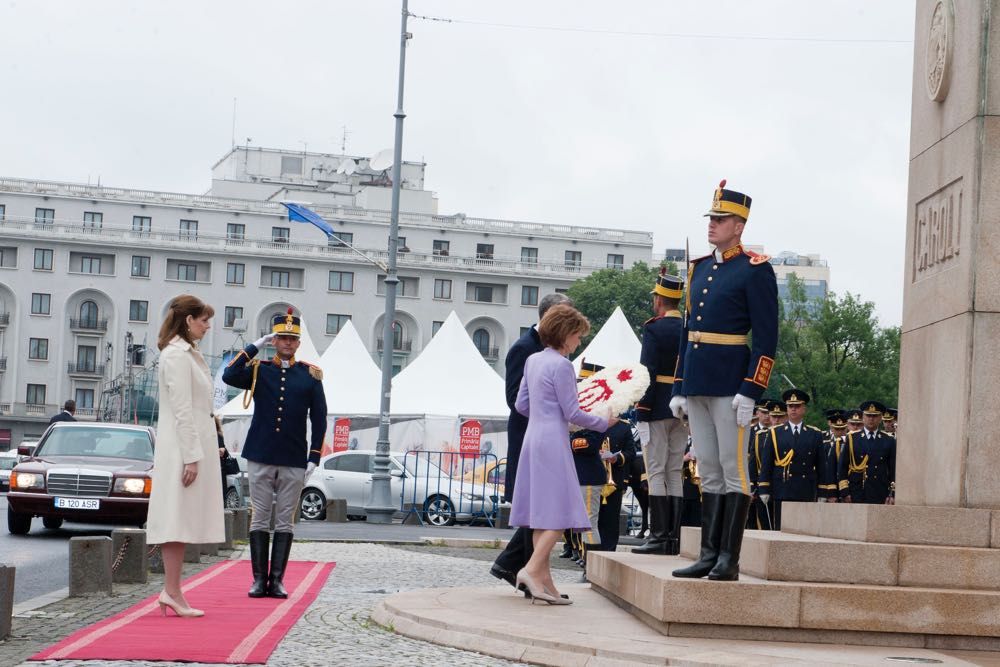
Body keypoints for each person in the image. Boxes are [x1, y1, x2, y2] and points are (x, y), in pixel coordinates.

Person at [670, 180, 778, 582]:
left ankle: (728, 560)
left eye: (720, 219)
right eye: (711, 218)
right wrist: (679, 386)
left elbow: (767, 338)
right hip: (698, 380)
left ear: (739, 225)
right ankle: (708, 554)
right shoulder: (699, 268)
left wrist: (751, 389)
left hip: (731, 384)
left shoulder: (755, 270)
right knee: (709, 470)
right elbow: (686, 331)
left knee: (735, 471)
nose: (712, 225)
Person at [510, 304, 613, 604]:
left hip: (533, 437)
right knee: (561, 511)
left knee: (541, 514)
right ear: (566, 334)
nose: (579, 342)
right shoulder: (562, 366)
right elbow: (573, 412)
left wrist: (548, 415)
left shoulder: (532, 360)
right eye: (578, 336)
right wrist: (603, 422)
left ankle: (545, 584)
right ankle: (530, 571)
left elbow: (521, 406)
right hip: (553, 441)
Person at [223, 308, 327, 599]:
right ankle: (258, 580)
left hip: (294, 458)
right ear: (274, 340)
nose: (287, 344)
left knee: (284, 520)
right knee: (259, 518)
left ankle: (277, 580)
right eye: (281, 338)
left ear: (298, 342)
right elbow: (229, 374)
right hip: (261, 454)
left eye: (292, 339)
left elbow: (319, 419)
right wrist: (255, 344)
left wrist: (314, 457)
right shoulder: (260, 370)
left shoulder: (310, 376)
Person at [146, 295, 224, 618]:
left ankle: (173, 589)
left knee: (179, 520)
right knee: (175, 519)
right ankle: (172, 590)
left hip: (186, 446)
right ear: (188, 320)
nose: (207, 325)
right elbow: (181, 408)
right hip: (181, 448)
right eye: (203, 319)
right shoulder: (177, 355)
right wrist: (192, 456)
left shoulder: (185, 353)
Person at [491, 293, 572, 591]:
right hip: (531, 437)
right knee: (541, 510)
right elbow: (515, 400)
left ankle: (520, 569)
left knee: (539, 510)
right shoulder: (524, 348)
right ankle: (525, 571)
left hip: (545, 436)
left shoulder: (554, 349)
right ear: (549, 315)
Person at [633, 269, 686, 556]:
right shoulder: (689, 329)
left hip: (656, 406)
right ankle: (673, 538)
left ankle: (657, 536)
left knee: (655, 470)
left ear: (659, 301)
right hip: (682, 406)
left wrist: (642, 410)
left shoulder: (654, 328)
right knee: (674, 471)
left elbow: (647, 373)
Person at [756, 390, 835, 529]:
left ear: (804, 408)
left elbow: (822, 465)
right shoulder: (775, 432)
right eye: (790, 406)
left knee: (803, 530)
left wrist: (823, 491)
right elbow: (767, 463)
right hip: (782, 488)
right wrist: (763, 488)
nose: (793, 409)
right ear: (786, 408)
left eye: (797, 406)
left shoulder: (814, 433)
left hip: (805, 489)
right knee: (780, 529)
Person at [838, 401, 896, 505]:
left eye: (875, 416)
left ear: (880, 417)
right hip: (856, 491)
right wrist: (845, 492)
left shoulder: (889, 440)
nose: (871, 419)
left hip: (880, 492)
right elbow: (842, 467)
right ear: (863, 416)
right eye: (868, 415)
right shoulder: (852, 438)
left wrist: (892, 494)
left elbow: (893, 469)